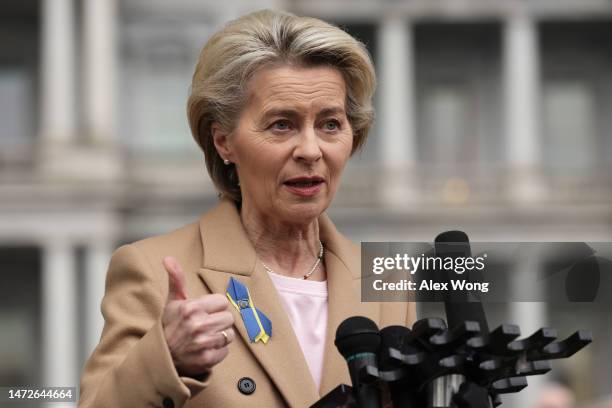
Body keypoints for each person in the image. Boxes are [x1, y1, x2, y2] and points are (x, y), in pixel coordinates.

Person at [79, 9, 416, 408]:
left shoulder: (388, 283)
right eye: (281, 124)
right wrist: (165, 357)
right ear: (223, 141)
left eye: (330, 124)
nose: (311, 150)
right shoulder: (152, 269)